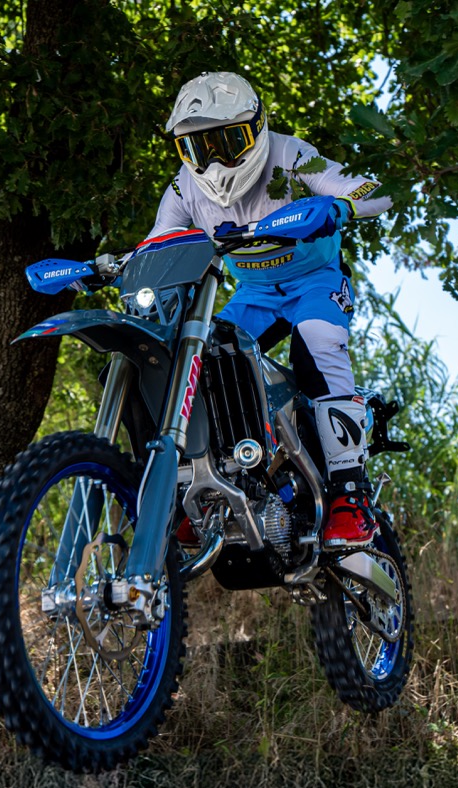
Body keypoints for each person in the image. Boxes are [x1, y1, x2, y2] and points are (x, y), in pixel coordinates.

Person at [143, 71, 392, 548]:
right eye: (198, 147)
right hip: (254, 294)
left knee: (317, 341)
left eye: (227, 141)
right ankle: (204, 489)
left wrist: (338, 208)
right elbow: (155, 247)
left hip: (315, 283)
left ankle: (349, 494)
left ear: (257, 128)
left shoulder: (290, 153)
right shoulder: (184, 188)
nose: (214, 160)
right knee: (200, 361)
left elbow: (373, 190)